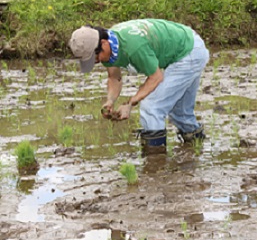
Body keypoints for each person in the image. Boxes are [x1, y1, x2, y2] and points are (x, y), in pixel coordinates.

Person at [69, 19, 209, 153]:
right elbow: (114, 77)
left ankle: (155, 162)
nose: (97, 62)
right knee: (180, 111)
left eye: (96, 58)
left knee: (152, 107)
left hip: (189, 52)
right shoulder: (109, 45)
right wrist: (110, 101)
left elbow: (156, 77)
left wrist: (130, 103)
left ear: (104, 43)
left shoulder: (133, 47)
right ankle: (195, 148)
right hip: (184, 44)